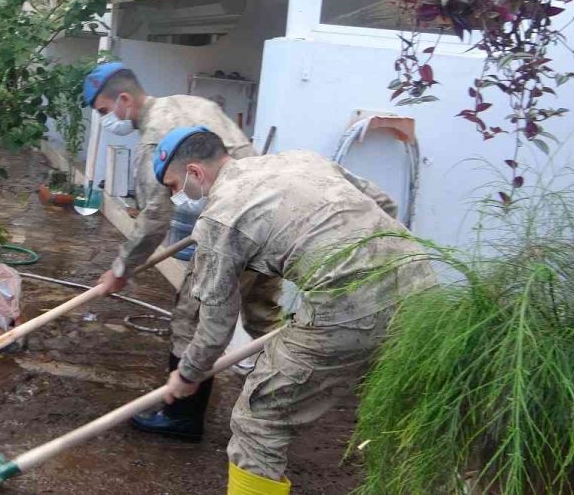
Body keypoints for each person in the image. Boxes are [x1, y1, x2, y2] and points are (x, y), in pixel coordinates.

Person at [151, 126, 439, 494]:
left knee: (259, 422)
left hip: (347, 307)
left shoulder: (219, 218)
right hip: (421, 283)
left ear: (195, 172)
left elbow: (215, 325)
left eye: (173, 186)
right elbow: (385, 205)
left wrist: (188, 373)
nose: (175, 196)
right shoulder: (301, 160)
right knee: (400, 405)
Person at [81, 62, 282, 440]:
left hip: (231, 231)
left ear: (124, 99)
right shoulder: (192, 103)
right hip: (267, 221)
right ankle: (277, 411)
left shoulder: (155, 138)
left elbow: (155, 218)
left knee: (190, 320)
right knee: (265, 324)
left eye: (105, 112)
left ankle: (182, 417)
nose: (107, 121)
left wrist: (121, 270)